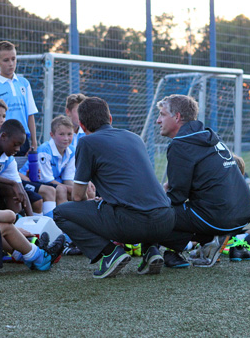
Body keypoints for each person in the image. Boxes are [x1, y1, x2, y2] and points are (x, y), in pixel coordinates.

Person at [54, 97, 175, 279]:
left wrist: (95, 206)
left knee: (61, 213)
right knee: (144, 200)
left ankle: (109, 253)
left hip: (131, 224)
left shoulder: (87, 142)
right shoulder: (135, 138)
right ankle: (151, 251)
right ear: (110, 119)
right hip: (166, 221)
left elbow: (78, 197)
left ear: (82, 126)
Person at [156, 94, 250, 268]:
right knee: (178, 211)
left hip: (217, 216)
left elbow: (177, 196)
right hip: (244, 212)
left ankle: (204, 240)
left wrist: (160, 195)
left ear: (177, 117)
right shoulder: (208, 135)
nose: (158, 120)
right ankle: (206, 242)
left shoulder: (180, 144)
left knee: (152, 214)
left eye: (162, 114)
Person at [0, 97, 55, 217]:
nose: (18, 150)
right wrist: (12, 183)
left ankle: (23, 227)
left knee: (15, 191)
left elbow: (19, 187)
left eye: (4, 116)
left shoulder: (8, 157)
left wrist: (32, 221)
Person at [0, 40, 38, 155]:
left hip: (23, 142)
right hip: (3, 142)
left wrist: (34, 142)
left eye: (13, 59)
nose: (11, 63)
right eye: (6, 60)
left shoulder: (24, 84)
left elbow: (30, 114)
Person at [20, 115, 75, 205]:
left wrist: (78, 190)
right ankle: (60, 217)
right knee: (62, 190)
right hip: (31, 181)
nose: (66, 138)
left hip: (54, 183)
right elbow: (47, 180)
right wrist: (71, 189)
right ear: (52, 135)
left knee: (84, 191)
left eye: (69, 134)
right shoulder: (45, 150)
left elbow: (68, 179)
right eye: (62, 134)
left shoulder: (72, 151)